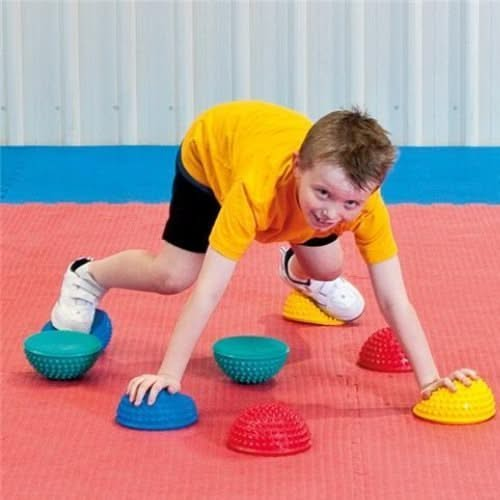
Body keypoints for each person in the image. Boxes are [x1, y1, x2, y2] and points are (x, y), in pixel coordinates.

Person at [50, 100, 477, 406]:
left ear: (372, 193)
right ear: (297, 166)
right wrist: (168, 374)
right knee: (174, 276)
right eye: (324, 193)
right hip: (212, 156)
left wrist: (431, 380)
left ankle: (297, 269)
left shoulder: (354, 205)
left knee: (328, 270)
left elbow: (392, 298)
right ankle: (88, 275)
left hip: (285, 187)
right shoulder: (254, 191)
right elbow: (210, 292)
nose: (333, 213)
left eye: (351, 203)